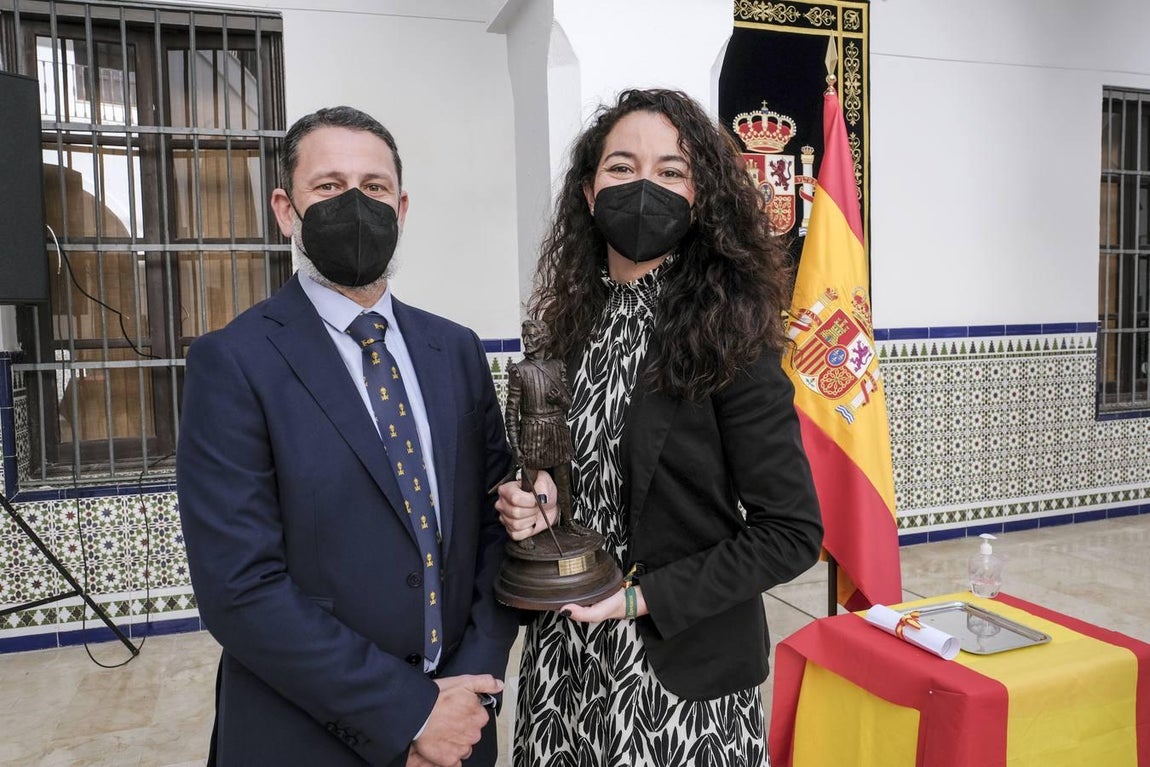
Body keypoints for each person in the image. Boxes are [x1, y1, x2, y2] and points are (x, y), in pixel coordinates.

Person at [177, 106, 518, 767]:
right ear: (286, 209)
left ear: (402, 205)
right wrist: (409, 711)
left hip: (460, 726)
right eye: (329, 187)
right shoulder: (233, 361)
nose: (355, 204)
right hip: (305, 733)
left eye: (375, 186)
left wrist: (470, 690)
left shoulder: (456, 348)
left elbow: (494, 528)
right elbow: (240, 588)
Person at [495, 88, 824, 766]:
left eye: (671, 171)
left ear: (700, 197)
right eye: (621, 167)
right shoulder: (563, 327)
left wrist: (639, 598)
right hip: (566, 667)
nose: (644, 185)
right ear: (589, 192)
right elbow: (562, 470)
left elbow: (792, 534)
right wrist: (538, 499)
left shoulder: (732, 336)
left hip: (680, 683)